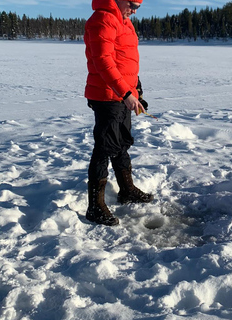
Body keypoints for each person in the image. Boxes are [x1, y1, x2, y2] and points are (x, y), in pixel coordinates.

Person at [84, 0, 153, 226]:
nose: (134, 10)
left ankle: (127, 190)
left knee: (121, 143)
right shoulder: (103, 19)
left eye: (138, 7)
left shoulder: (125, 22)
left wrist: (136, 91)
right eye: (132, 4)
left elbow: (126, 62)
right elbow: (103, 61)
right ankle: (95, 206)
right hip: (106, 95)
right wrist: (125, 93)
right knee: (104, 148)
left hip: (122, 95)